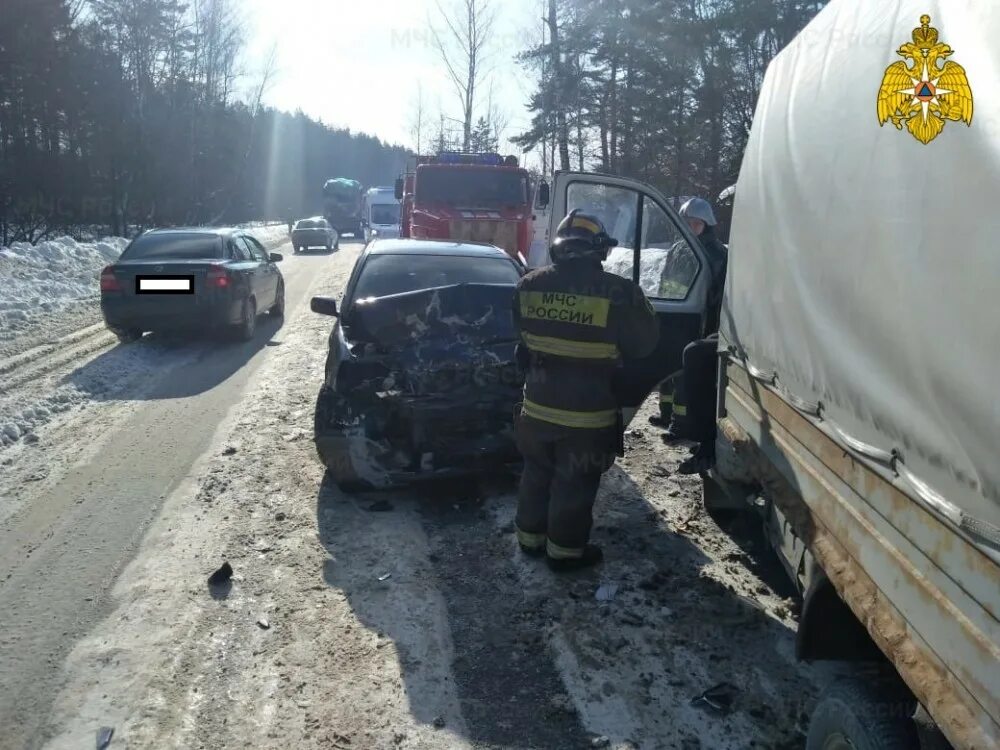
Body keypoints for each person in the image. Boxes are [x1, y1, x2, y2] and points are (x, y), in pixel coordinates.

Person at [512, 210, 660, 571]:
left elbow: (522, 341)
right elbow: (644, 346)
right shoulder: (621, 292)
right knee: (574, 483)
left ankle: (529, 541)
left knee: (536, 472)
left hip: (535, 410)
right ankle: (564, 554)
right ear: (598, 251)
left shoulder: (528, 285)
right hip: (586, 418)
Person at [650, 197, 729, 474]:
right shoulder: (679, 249)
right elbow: (666, 279)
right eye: (686, 222)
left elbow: (717, 293)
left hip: (702, 321)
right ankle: (669, 416)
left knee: (691, 374)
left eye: (694, 223)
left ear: (706, 225)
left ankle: (684, 426)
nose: (689, 227)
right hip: (677, 314)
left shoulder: (716, 253)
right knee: (670, 370)